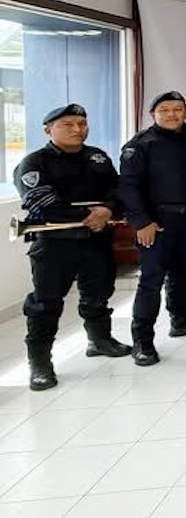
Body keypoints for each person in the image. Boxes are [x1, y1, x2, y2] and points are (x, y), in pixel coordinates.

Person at [14, 104, 131, 390]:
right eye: (68, 124)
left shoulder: (97, 157)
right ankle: (40, 364)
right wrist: (90, 216)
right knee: (45, 304)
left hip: (96, 240)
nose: (77, 129)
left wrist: (107, 208)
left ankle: (99, 340)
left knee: (99, 293)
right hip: (55, 245)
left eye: (81, 123)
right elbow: (40, 202)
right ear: (48, 129)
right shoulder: (34, 163)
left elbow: (118, 189)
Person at [118, 91, 186, 367]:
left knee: (181, 274)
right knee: (151, 281)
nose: (172, 114)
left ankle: (181, 320)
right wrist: (141, 222)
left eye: (177, 109)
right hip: (156, 223)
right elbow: (128, 187)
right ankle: (142, 341)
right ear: (153, 115)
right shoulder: (140, 145)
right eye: (165, 110)